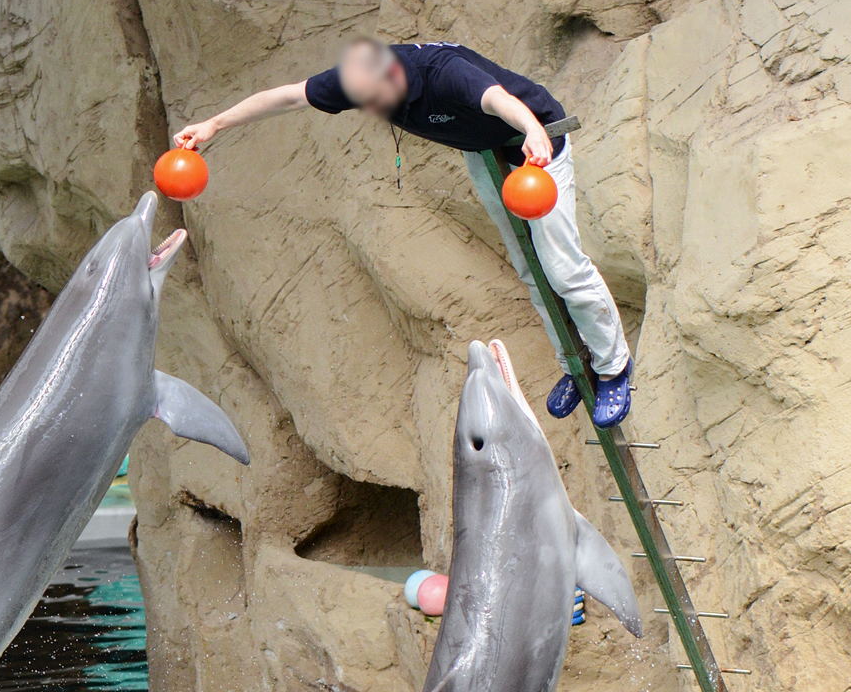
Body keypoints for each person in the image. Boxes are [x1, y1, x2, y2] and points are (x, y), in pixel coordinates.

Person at [175, 39, 632, 427]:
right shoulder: (359, 79)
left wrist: (532, 129)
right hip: (487, 153)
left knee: (562, 268)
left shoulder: (442, 72)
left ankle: (613, 368)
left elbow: (497, 100)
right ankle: (576, 365)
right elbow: (289, 97)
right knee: (530, 269)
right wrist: (215, 124)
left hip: (538, 142)